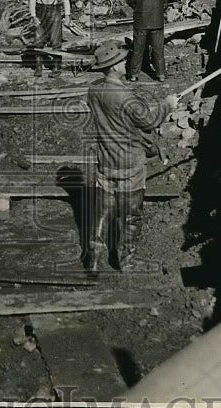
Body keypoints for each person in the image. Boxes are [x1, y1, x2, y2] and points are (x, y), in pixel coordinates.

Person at [85, 42, 178, 274]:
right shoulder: (125, 96)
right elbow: (148, 121)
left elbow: (126, 115)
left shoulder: (94, 90)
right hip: (129, 163)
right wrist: (168, 105)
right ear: (114, 66)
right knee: (130, 215)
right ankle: (126, 260)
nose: (125, 62)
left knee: (102, 211)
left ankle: (94, 255)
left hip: (105, 158)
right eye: (121, 60)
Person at [124, 0, 168, 82]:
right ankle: (161, 74)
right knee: (158, 49)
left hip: (140, 22)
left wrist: (138, 9)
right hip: (157, 22)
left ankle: (133, 75)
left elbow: (130, 2)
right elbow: (165, 4)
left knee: (138, 49)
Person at [28, 0, 71, 77]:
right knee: (38, 40)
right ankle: (38, 67)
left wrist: (67, 15)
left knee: (56, 40)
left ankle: (56, 68)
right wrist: (33, 16)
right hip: (40, 11)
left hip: (55, 11)